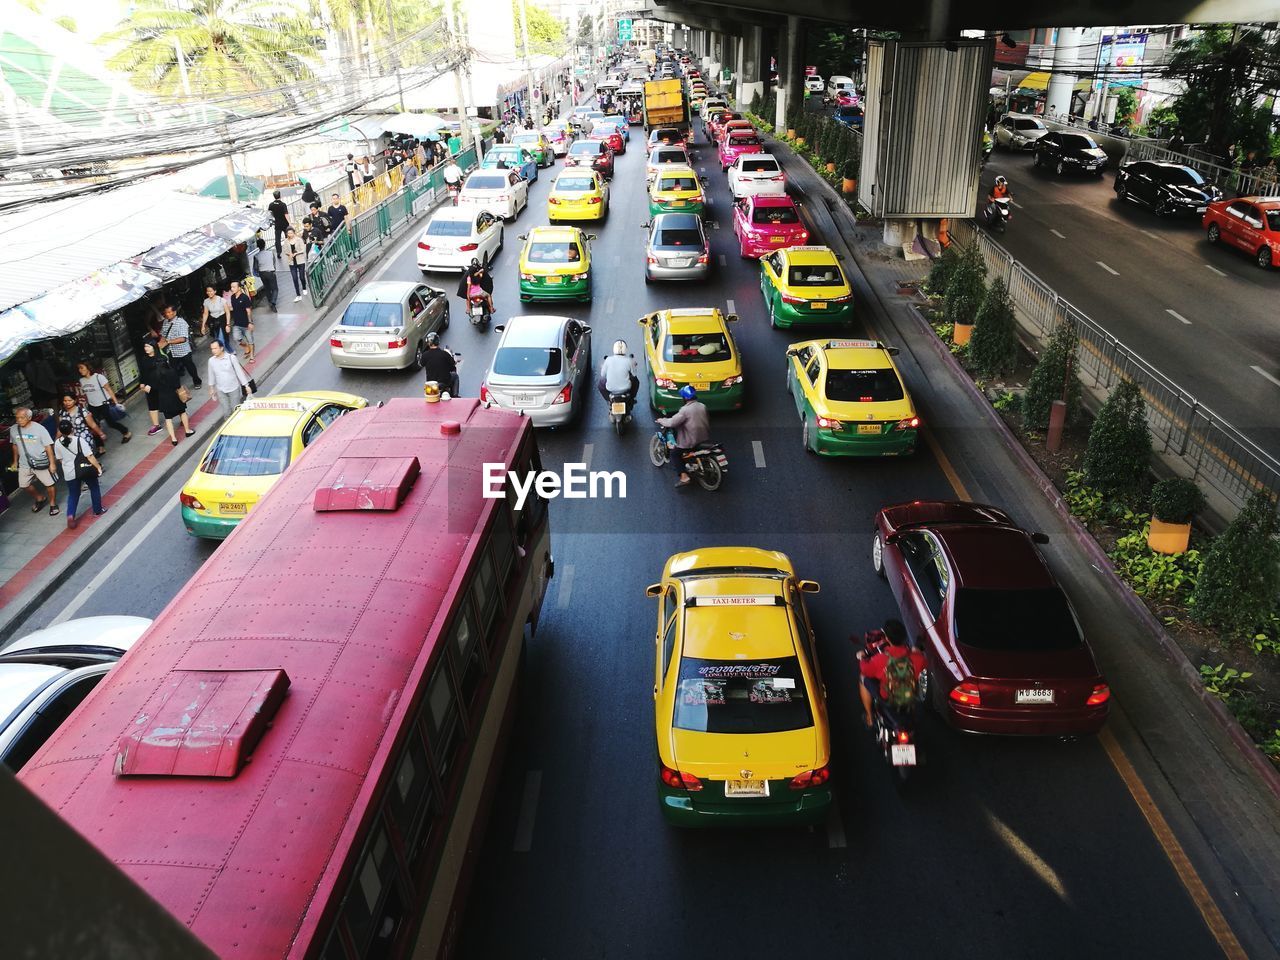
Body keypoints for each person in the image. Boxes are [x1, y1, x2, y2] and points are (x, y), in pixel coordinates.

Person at [858, 619, 926, 728]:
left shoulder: (879, 660)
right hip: (909, 696)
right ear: (904, 637)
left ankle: (870, 717)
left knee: (862, 677)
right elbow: (920, 661)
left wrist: (861, 657)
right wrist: (915, 651)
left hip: (887, 699)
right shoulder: (918, 659)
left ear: (887, 638)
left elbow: (865, 670)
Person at [7, 406, 59, 516]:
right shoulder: (13, 429)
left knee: (49, 484)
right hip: (25, 463)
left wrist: (52, 463)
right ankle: (40, 498)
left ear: (29, 417)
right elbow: (15, 446)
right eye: (17, 418)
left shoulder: (39, 429)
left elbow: (48, 447)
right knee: (24, 484)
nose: (19, 420)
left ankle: (53, 504)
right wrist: (15, 461)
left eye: (22, 418)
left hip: (40, 461)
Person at [53, 418, 104, 529]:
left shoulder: (57, 443)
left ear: (60, 431)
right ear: (72, 429)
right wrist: (98, 467)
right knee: (94, 487)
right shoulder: (79, 440)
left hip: (69, 473)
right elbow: (89, 456)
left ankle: (70, 515)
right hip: (84, 470)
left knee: (73, 494)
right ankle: (97, 510)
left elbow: (60, 459)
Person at [656, 384, 710, 487]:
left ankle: (684, 477)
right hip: (703, 437)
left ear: (685, 398)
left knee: (674, 454)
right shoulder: (702, 406)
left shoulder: (685, 410)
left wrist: (662, 420)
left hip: (691, 441)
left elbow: (672, 423)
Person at [138, 342, 191, 445]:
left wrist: (151, 385)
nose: (146, 348)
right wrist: (142, 383)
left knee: (169, 415)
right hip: (157, 388)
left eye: (148, 346)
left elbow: (158, 377)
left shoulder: (161, 357)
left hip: (159, 389)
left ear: (154, 347)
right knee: (154, 405)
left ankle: (175, 436)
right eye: (144, 346)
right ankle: (157, 425)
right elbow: (143, 373)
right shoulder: (145, 360)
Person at [77, 361, 131, 445]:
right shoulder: (82, 380)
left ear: (88, 367)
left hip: (103, 404)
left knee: (111, 423)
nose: (80, 370)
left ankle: (126, 432)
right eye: (79, 369)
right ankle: (100, 447)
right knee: (94, 426)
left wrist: (116, 402)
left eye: (82, 368)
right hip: (92, 406)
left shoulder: (98, 377)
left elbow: (109, 389)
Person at [207, 340, 254, 421]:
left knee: (236, 410)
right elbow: (211, 375)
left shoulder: (231, 358)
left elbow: (239, 373)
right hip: (221, 390)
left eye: (215, 348)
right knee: (226, 411)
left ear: (221, 348)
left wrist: (246, 386)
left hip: (233, 388)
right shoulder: (211, 361)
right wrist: (211, 388)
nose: (213, 350)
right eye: (212, 349)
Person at [159, 304, 201, 387]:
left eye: (169, 312)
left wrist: (168, 342)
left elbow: (183, 339)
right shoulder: (165, 322)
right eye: (166, 312)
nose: (167, 314)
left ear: (174, 312)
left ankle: (197, 382)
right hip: (172, 351)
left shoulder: (181, 322)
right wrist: (160, 344)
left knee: (190, 368)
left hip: (183, 351)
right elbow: (164, 335)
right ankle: (177, 388)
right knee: (173, 370)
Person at [59, 391, 107, 457]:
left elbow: (92, 424)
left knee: (88, 457)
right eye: (65, 401)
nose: (67, 403)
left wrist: (101, 434)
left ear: (75, 400)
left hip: (84, 438)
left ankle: (96, 466)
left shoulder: (82, 411)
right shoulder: (62, 413)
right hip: (71, 441)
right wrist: (57, 440)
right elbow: (60, 428)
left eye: (70, 400)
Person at [597, 339, 639, 407]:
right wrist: (633, 365)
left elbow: (602, 375)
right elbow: (634, 374)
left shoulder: (608, 360)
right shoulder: (629, 360)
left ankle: (608, 400)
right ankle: (632, 398)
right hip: (626, 388)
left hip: (610, 388)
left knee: (600, 383)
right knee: (636, 381)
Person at [420, 333, 459, 397]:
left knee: (429, 398)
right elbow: (453, 363)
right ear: (437, 341)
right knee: (455, 376)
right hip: (445, 381)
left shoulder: (425, 355)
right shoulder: (444, 354)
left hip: (431, 384)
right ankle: (455, 396)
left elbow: (421, 364)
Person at [227, 279, 255, 364]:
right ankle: (246, 347)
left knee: (250, 340)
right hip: (237, 323)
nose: (232, 288)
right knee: (236, 338)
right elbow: (234, 308)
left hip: (246, 324)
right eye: (231, 287)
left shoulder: (244, 297)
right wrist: (227, 308)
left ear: (239, 288)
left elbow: (248, 311)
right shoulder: (232, 297)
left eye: (234, 287)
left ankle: (252, 356)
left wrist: (250, 322)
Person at [201, 284, 234, 352]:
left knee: (222, 338)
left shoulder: (221, 300)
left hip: (222, 320)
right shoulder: (206, 301)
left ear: (215, 291)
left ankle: (226, 353)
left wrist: (228, 324)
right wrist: (203, 326)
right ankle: (228, 350)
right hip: (213, 321)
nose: (209, 293)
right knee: (217, 338)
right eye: (208, 291)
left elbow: (227, 312)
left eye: (211, 291)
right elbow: (205, 313)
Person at [254, 238, 279, 312]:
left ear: (258, 246)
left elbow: (255, 267)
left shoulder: (256, 256)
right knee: (275, 289)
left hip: (262, 273)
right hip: (271, 272)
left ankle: (270, 301)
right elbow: (274, 263)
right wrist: (274, 270)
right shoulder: (270, 253)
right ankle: (273, 302)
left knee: (267, 288)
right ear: (264, 244)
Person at [284, 226, 307, 302]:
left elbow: (303, 249)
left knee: (302, 277)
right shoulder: (286, 241)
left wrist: (297, 253)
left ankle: (304, 287)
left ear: (294, 233)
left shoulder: (299, 240)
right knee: (294, 278)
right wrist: (289, 254)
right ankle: (298, 295)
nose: (290, 234)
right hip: (291, 262)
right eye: (288, 233)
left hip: (300, 260)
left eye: (291, 233)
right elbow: (285, 250)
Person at [267, 189, 291, 255]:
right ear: (280, 196)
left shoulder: (271, 204)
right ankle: (289, 249)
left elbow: (269, 214)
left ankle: (278, 252)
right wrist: (289, 222)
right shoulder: (283, 204)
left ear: (274, 196)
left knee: (277, 239)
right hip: (284, 224)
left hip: (277, 223)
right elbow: (286, 214)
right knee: (288, 237)